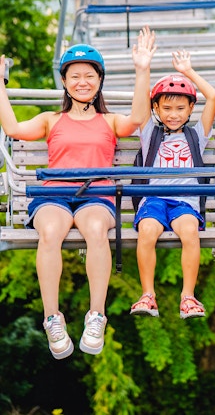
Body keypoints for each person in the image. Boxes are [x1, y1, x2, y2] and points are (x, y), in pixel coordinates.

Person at [0, 27, 156, 360]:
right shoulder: (50, 120)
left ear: (99, 81)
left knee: (97, 230)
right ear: (65, 82)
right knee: (51, 232)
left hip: (95, 196)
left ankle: (96, 315)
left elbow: (139, 118)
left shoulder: (109, 121)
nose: (82, 82)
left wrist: (142, 69)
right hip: (55, 196)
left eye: (89, 76)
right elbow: (13, 129)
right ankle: (52, 317)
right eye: (75, 76)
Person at [130, 50, 215, 319]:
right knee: (147, 232)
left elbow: (213, 97)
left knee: (190, 233)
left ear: (191, 108)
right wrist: (142, 69)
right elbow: (140, 105)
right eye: (166, 108)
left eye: (180, 108)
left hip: (185, 201)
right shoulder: (149, 133)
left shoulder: (197, 136)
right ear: (155, 108)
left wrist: (188, 71)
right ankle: (148, 294)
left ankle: (188, 296)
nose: (173, 114)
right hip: (153, 199)